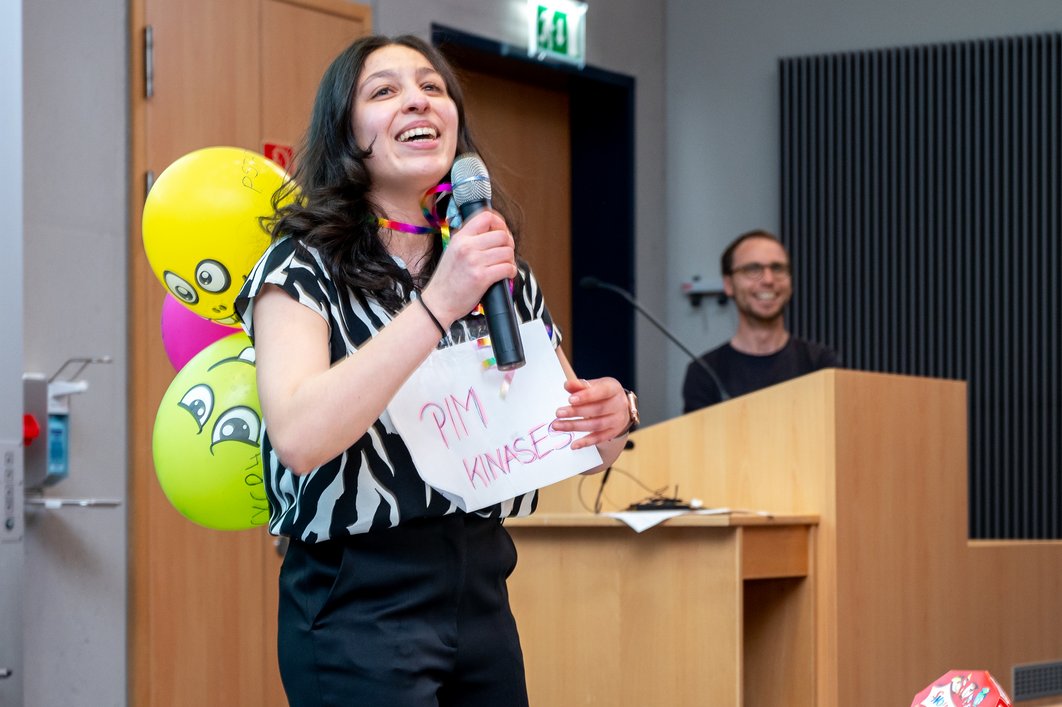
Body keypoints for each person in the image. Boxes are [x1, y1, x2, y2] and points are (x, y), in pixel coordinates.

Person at [233, 34, 636, 707]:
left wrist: (615, 414)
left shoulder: (493, 262)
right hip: (356, 603)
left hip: (480, 590)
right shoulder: (300, 267)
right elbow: (300, 436)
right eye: (383, 90)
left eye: (432, 86)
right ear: (345, 133)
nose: (416, 98)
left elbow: (580, 441)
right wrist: (438, 302)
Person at [682, 229, 840, 413]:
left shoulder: (820, 364)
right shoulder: (704, 372)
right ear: (728, 284)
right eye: (753, 269)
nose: (768, 279)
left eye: (777, 268)